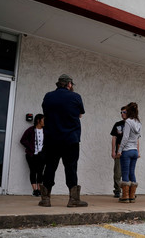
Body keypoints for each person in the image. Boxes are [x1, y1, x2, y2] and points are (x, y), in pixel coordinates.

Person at [38, 74, 87, 207]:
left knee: (50, 167)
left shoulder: (48, 96)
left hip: (51, 139)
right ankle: (73, 200)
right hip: (70, 139)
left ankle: (45, 199)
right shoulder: (75, 97)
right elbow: (80, 114)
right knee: (71, 168)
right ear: (69, 84)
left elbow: (46, 112)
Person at [117, 102, 141, 203]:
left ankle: (125, 197)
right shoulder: (138, 122)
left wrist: (119, 150)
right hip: (134, 150)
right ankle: (132, 196)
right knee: (132, 172)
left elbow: (125, 137)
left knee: (125, 173)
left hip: (127, 151)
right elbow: (138, 138)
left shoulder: (128, 122)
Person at [20, 114, 46, 197]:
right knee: (33, 171)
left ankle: (39, 189)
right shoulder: (30, 130)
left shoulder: (46, 130)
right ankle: (34, 190)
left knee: (40, 172)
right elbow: (23, 140)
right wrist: (31, 147)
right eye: (43, 120)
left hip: (41, 155)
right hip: (31, 155)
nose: (45, 122)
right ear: (38, 120)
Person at [110, 106, 126, 198]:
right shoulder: (117, 124)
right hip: (118, 152)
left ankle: (127, 191)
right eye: (121, 112)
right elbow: (114, 137)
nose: (122, 114)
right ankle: (117, 190)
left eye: (124, 112)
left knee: (127, 172)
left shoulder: (132, 124)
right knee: (117, 172)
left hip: (128, 151)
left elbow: (136, 139)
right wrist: (113, 151)